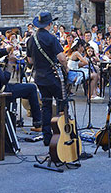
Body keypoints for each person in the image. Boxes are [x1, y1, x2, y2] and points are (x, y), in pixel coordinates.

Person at [0, 33, 42, 131]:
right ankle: (38, 124)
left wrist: (7, 49)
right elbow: (4, 79)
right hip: (1, 89)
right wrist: (11, 62)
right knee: (31, 88)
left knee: (25, 88)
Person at [26, 12, 69, 146]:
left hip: (39, 77)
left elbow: (29, 60)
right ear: (49, 25)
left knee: (46, 106)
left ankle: (47, 136)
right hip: (53, 76)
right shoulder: (51, 38)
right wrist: (66, 67)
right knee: (62, 104)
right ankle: (63, 133)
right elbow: (62, 57)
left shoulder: (31, 39)